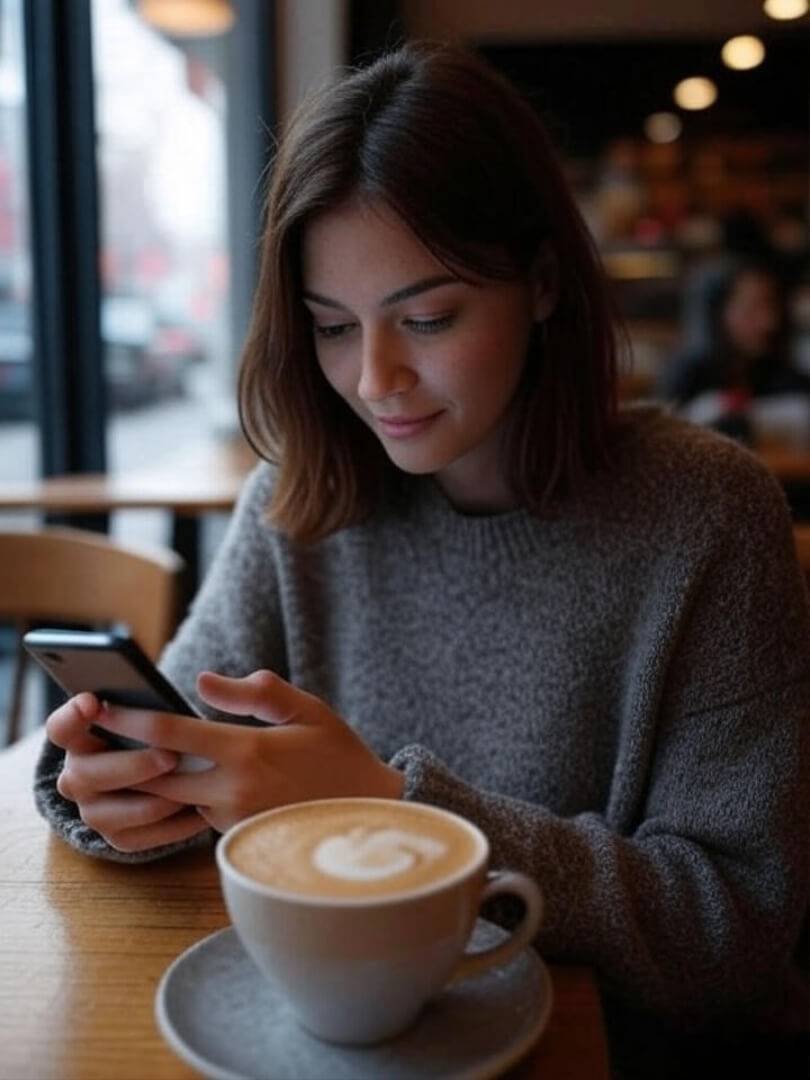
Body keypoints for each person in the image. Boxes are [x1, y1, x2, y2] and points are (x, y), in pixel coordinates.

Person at [33, 42, 808, 1078]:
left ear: (541, 283)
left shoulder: (707, 514)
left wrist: (396, 810)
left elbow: (735, 932)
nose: (376, 379)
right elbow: (177, 734)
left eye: (428, 318)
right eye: (331, 328)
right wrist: (110, 783)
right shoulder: (300, 501)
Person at [658, 258, 810, 446]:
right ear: (718, 312)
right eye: (752, 308)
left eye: (772, 306)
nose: (769, 322)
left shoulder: (778, 369)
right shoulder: (687, 374)